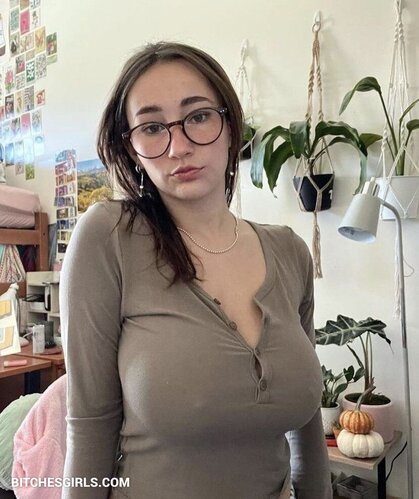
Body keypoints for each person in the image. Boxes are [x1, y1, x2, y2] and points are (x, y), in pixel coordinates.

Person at [61, 41, 332, 499]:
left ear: (230, 127)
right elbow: (89, 426)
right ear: (131, 148)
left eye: (199, 116)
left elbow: (306, 428)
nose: (180, 147)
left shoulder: (289, 251)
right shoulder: (108, 238)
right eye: (152, 127)